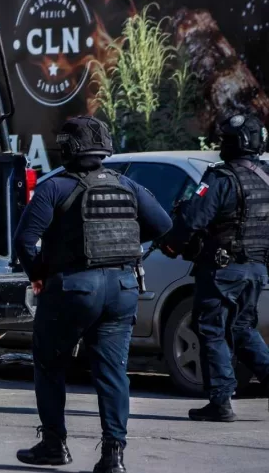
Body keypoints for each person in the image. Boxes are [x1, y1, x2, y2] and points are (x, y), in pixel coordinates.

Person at [13, 116, 171, 473]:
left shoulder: (55, 188)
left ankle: (54, 445)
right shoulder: (127, 185)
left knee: (50, 364)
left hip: (72, 289)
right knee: (112, 372)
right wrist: (123, 245)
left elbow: (24, 239)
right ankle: (113, 456)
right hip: (122, 288)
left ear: (66, 147)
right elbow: (163, 225)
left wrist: (38, 274)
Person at [159, 113, 269, 422]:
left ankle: (220, 401)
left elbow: (192, 220)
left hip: (222, 270)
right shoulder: (266, 176)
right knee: (243, 327)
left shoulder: (220, 178)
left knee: (211, 329)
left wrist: (171, 245)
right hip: (256, 270)